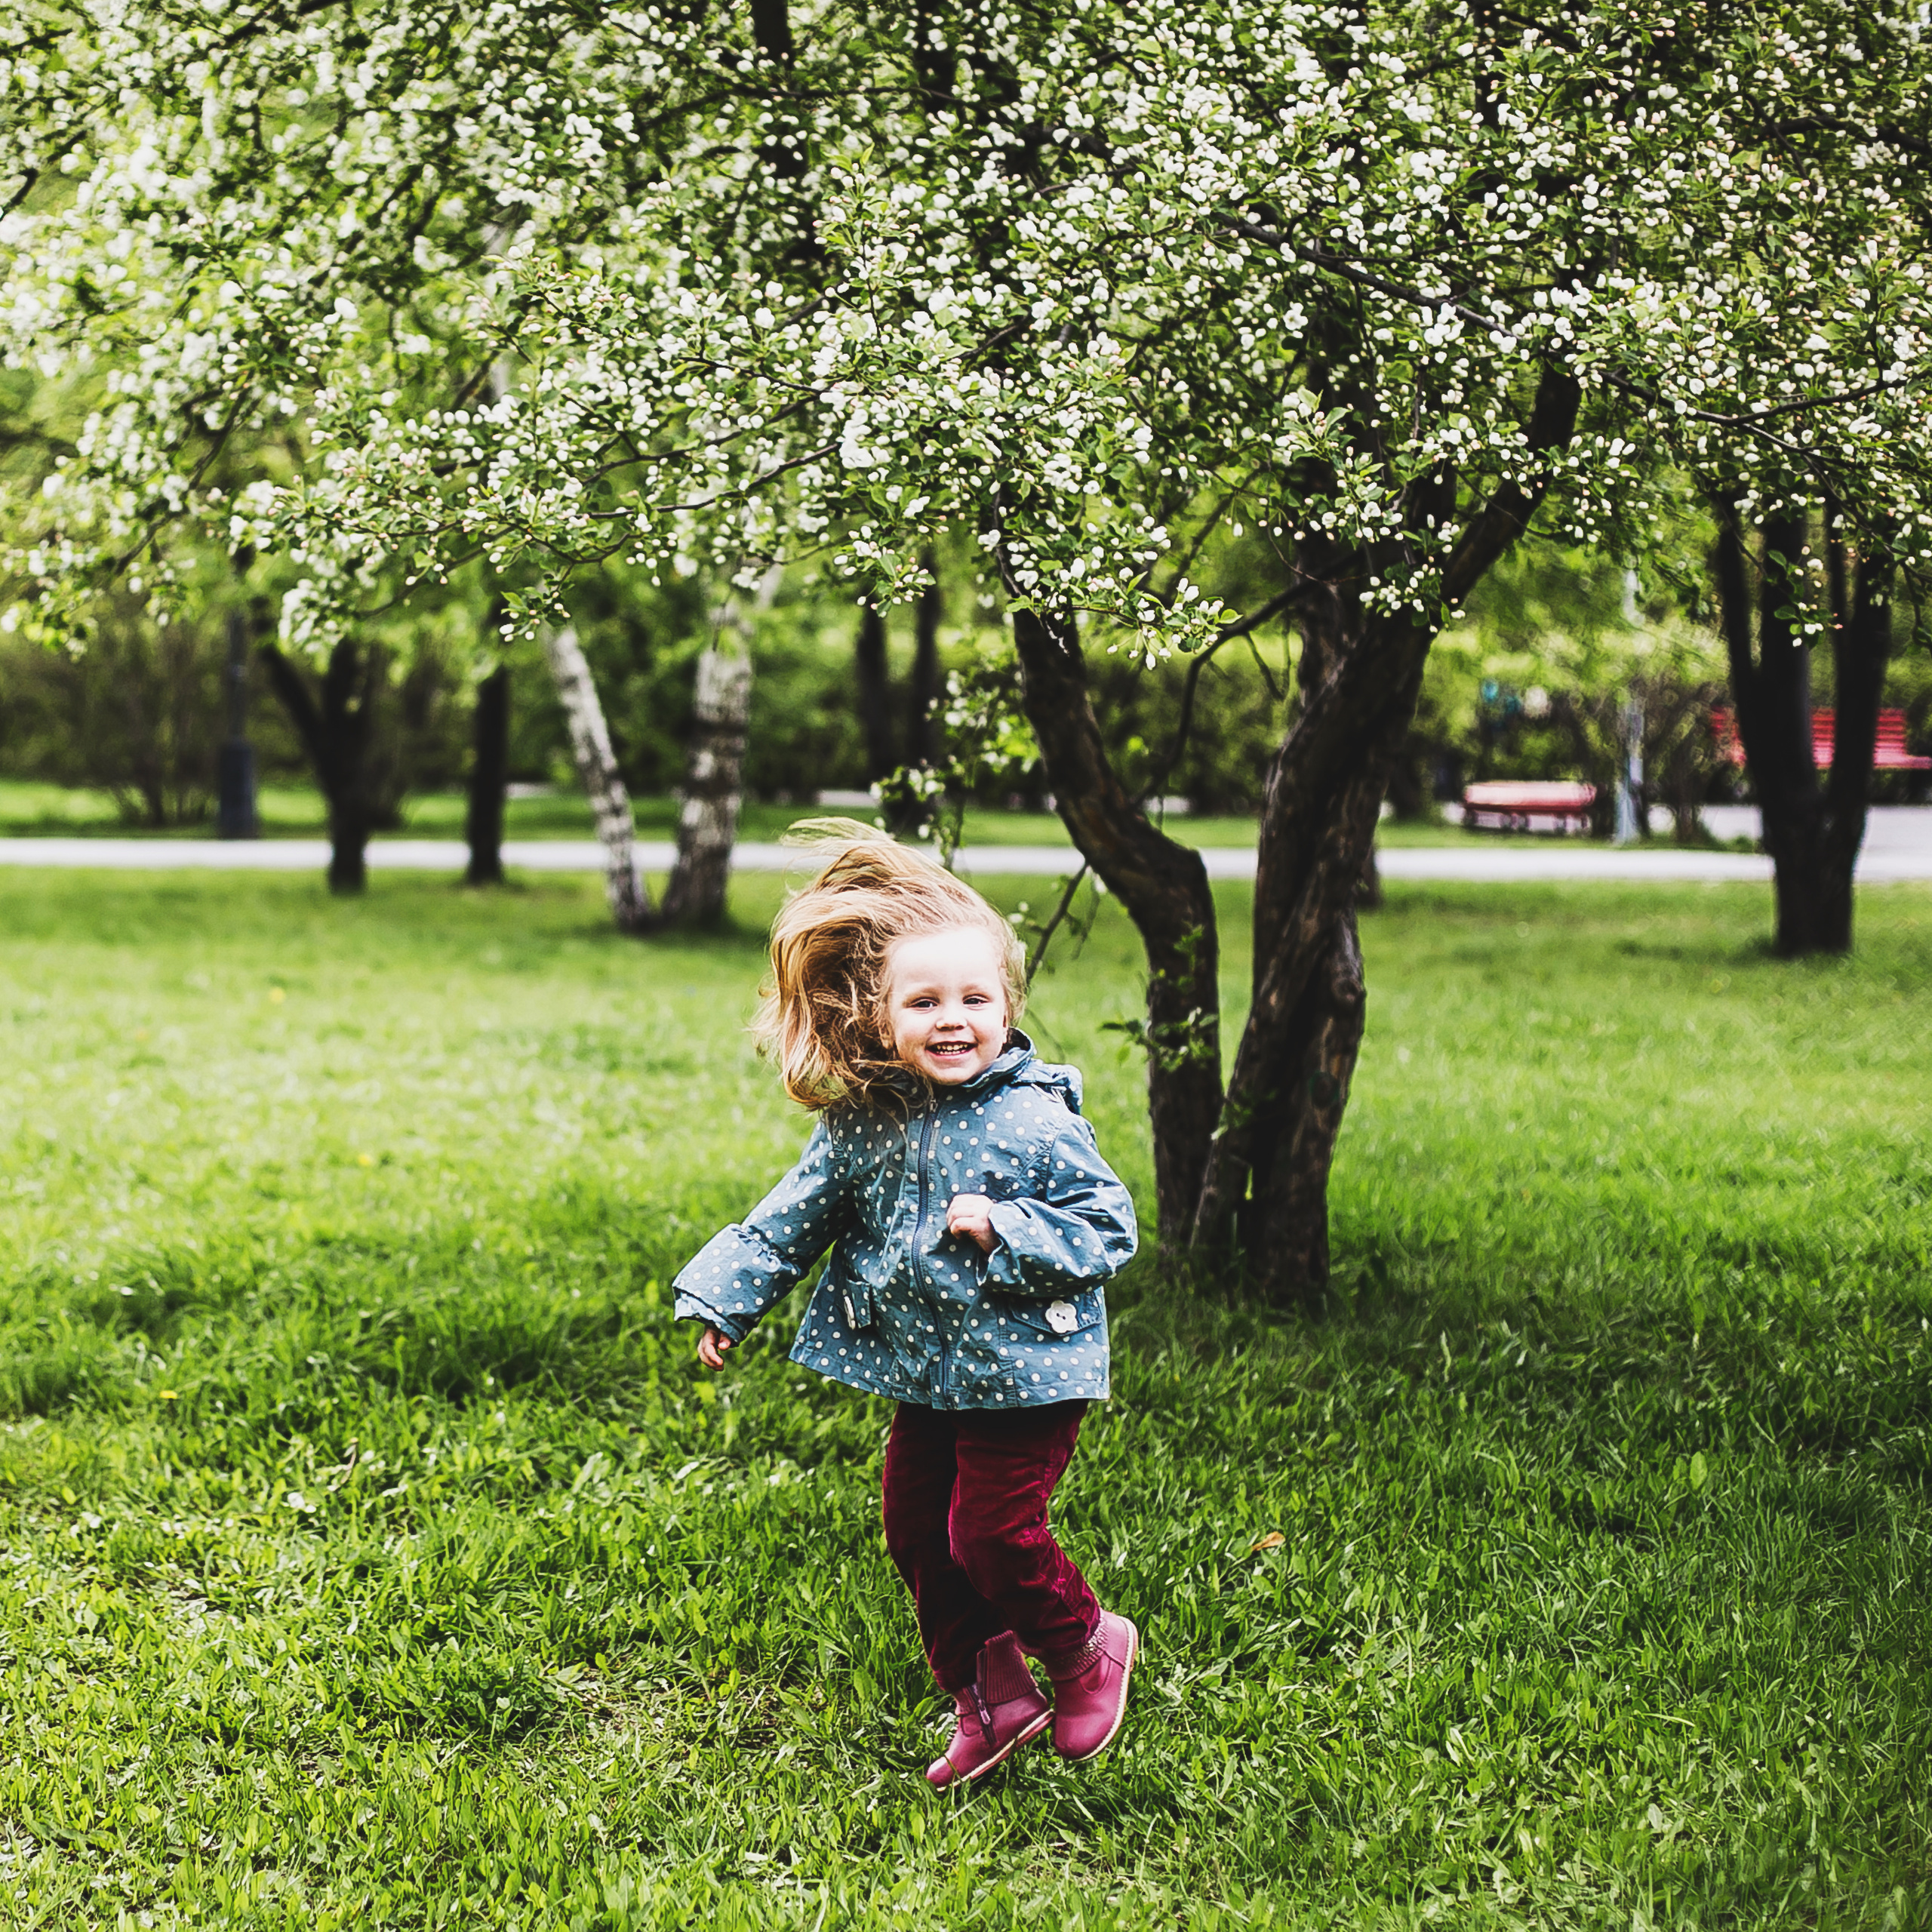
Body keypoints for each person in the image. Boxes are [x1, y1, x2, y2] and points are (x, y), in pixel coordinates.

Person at [673, 825, 1140, 1787]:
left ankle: (1085, 1643)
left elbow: (1109, 1229)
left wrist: (1007, 1227)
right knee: (916, 1530)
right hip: (928, 1373)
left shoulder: (1035, 1118)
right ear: (881, 1019)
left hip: (1028, 1373)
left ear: (1008, 1008)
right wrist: (725, 1298)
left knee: (990, 1532)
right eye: (924, 1001)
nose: (953, 1018)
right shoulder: (863, 1124)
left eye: (975, 998)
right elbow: (787, 1220)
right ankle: (991, 1697)